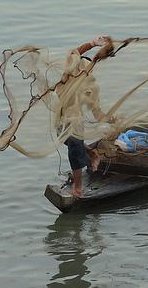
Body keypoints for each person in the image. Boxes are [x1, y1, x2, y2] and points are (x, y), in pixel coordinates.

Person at [59, 35, 111, 197]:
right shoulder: (68, 74)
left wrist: (110, 121)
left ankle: (78, 187)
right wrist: (92, 44)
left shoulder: (91, 87)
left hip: (75, 120)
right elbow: (76, 52)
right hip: (59, 116)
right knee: (63, 139)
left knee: (74, 150)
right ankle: (92, 153)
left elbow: (96, 111)